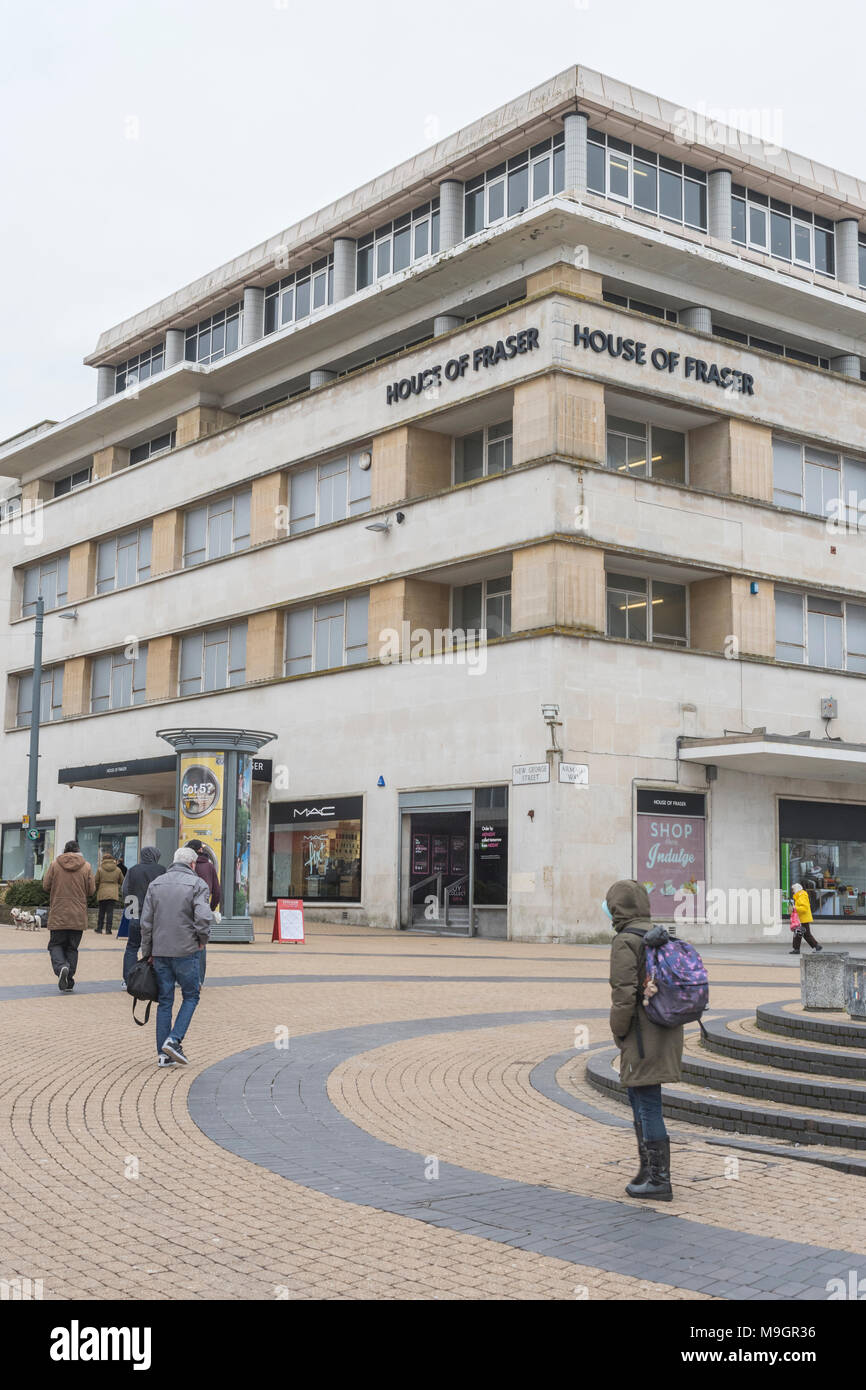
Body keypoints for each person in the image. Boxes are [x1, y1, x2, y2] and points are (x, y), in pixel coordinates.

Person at [606, 879, 683, 1202]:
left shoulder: (626, 940)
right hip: (665, 1028)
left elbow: (624, 994)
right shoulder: (659, 935)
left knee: (647, 1102)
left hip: (641, 1034)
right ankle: (647, 1170)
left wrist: (617, 1030)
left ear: (617, 907)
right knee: (641, 1099)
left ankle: (658, 1179)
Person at [140, 847, 213, 1067]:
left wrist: (148, 952)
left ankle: (162, 1055)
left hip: (160, 951)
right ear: (192, 864)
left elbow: (146, 923)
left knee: (165, 1001)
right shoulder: (198, 885)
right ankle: (174, 1040)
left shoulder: (156, 884)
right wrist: (202, 940)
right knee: (191, 996)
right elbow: (203, 917)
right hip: (187, 950)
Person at [42, 840, 96, 992]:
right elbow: (91, 891)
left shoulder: (54, 865)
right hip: (78, 914)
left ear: (64, 851)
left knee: (55, 944)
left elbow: (45, 886)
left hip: (59, 912)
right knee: (72, 948)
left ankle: (61, 968)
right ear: (78, 851)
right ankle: (69, 980)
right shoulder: (86, 866)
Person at [120, 847, 166, 987]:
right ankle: (156, 979)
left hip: (136, 915)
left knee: (132, 947)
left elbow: (125, 890)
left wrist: (131, 911)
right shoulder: (162, 870)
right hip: (156, 917)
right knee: (157, 948)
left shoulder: (133, 870)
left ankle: (128, 980)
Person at [185, 840, 222, 985]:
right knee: (201, 942)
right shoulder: (210, 866)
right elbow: (217, 892)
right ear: (201, 849)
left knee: (184, 940)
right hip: (203, 908)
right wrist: (211, 908)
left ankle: (184, 976)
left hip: (186, 909)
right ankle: (199, 979)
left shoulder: (187, 866)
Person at [790, 883, 823, 955]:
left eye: (793, 889)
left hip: (803, 918)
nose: (792, 891)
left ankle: (816, 946)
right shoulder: (799, 895)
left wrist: (795, 908)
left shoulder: (802, 895)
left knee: (804, 934)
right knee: (800, 933)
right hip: (801, 918)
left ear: (796, 889)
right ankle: (797, 949)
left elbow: (804, 908)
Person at [94, 851, 123, 934]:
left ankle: (99, 929)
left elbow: (96, 881)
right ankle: (108, 930)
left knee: (101, 911)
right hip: (113, 892)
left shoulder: (100, 869)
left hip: (102, 891)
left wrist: (96, 888)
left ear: (103, 859)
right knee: (110, 912)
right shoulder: (117, 869)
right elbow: (122, 881)